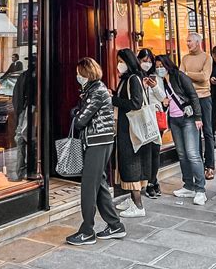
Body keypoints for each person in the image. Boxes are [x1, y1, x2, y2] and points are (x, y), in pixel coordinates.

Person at [66, 58, 125, 246]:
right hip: (100, 141)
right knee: (99, 184)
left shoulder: (96, 91)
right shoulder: (92, 90)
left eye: (79, 73)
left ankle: (87, 231)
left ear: (86, 73)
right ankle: (115, 225)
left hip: (98, 142)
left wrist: (76, 113)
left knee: (88, 186)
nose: (77, 76)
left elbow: (82, 119)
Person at [156, 54, 206, 206]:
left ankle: (200, 190)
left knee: (193, 154)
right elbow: (166, 101)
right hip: (174, 120)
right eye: (157, 66)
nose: (159, 69)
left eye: (161, 66)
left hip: (188, 119)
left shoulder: (179, 76)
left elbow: (193, 95)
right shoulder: (163, 81)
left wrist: (198, 117)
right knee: (182, 154)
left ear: (168, 65)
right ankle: (188, 185)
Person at [111, 48, 151, 218]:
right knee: (128, 162)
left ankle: (138, 205)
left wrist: (113, 99)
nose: (119, 65)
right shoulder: (127, 79)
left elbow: (136, 103)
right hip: (126, 127)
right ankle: (132, 199)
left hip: (131, 129)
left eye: (121, 61)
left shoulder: (133, 79)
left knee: (132, 163)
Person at [180, 32, 214, 179]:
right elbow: (181, 76)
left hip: (204, 97)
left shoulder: (207, 57)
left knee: (207, 131)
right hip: (189, 99)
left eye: (189, 41)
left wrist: (187, 74)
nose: (187, 44)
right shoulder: (185, 58)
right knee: (194, 133)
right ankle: (198, 165)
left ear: (197, 42)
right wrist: (193, 75)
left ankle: (210, 166)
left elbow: (205, 77)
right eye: (187, 41)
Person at [137, 48, 166, 198]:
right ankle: (147, 181)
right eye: (144, 61)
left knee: (155, 151)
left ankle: (153, 181)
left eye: (149, 61)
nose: (147, 64)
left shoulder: (157, 77)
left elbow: (163, 97)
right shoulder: (136, 77)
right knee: (146, 152)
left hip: (156, 116)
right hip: (143, 118)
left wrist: (153, 86)